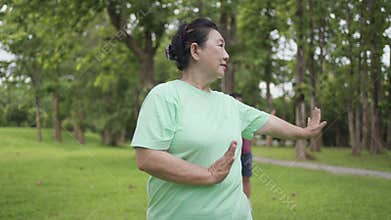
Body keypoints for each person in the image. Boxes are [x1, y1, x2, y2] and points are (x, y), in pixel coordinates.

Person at [131, 18, 326, 220]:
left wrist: (304, 133)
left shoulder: (229, 104)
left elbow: (267, 122)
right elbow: (147, 158)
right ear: (195, 51)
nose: (226, 55)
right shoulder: (165, 96)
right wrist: (208, 175)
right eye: (220, 45)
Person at [230, 92, 253, 199]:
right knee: (231, 179)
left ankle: (247, 204)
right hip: (231, 154)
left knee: (246, 178)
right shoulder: (226, 118)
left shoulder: (245, 116)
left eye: (241, 102)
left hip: (245, 153)